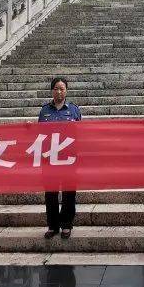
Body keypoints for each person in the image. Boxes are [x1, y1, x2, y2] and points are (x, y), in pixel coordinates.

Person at [38, 77, 82, 239]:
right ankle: (52, 226)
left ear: (66, 91)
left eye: (62, 88)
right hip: (50, 159)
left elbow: (79, 134)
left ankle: (66, 225)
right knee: (50, 194)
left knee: (69, 193)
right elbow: (40, 134)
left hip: (69, 159)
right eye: (56, 88)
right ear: (52, 91)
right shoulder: (44, 111)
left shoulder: (74, 110)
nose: (59, 91)